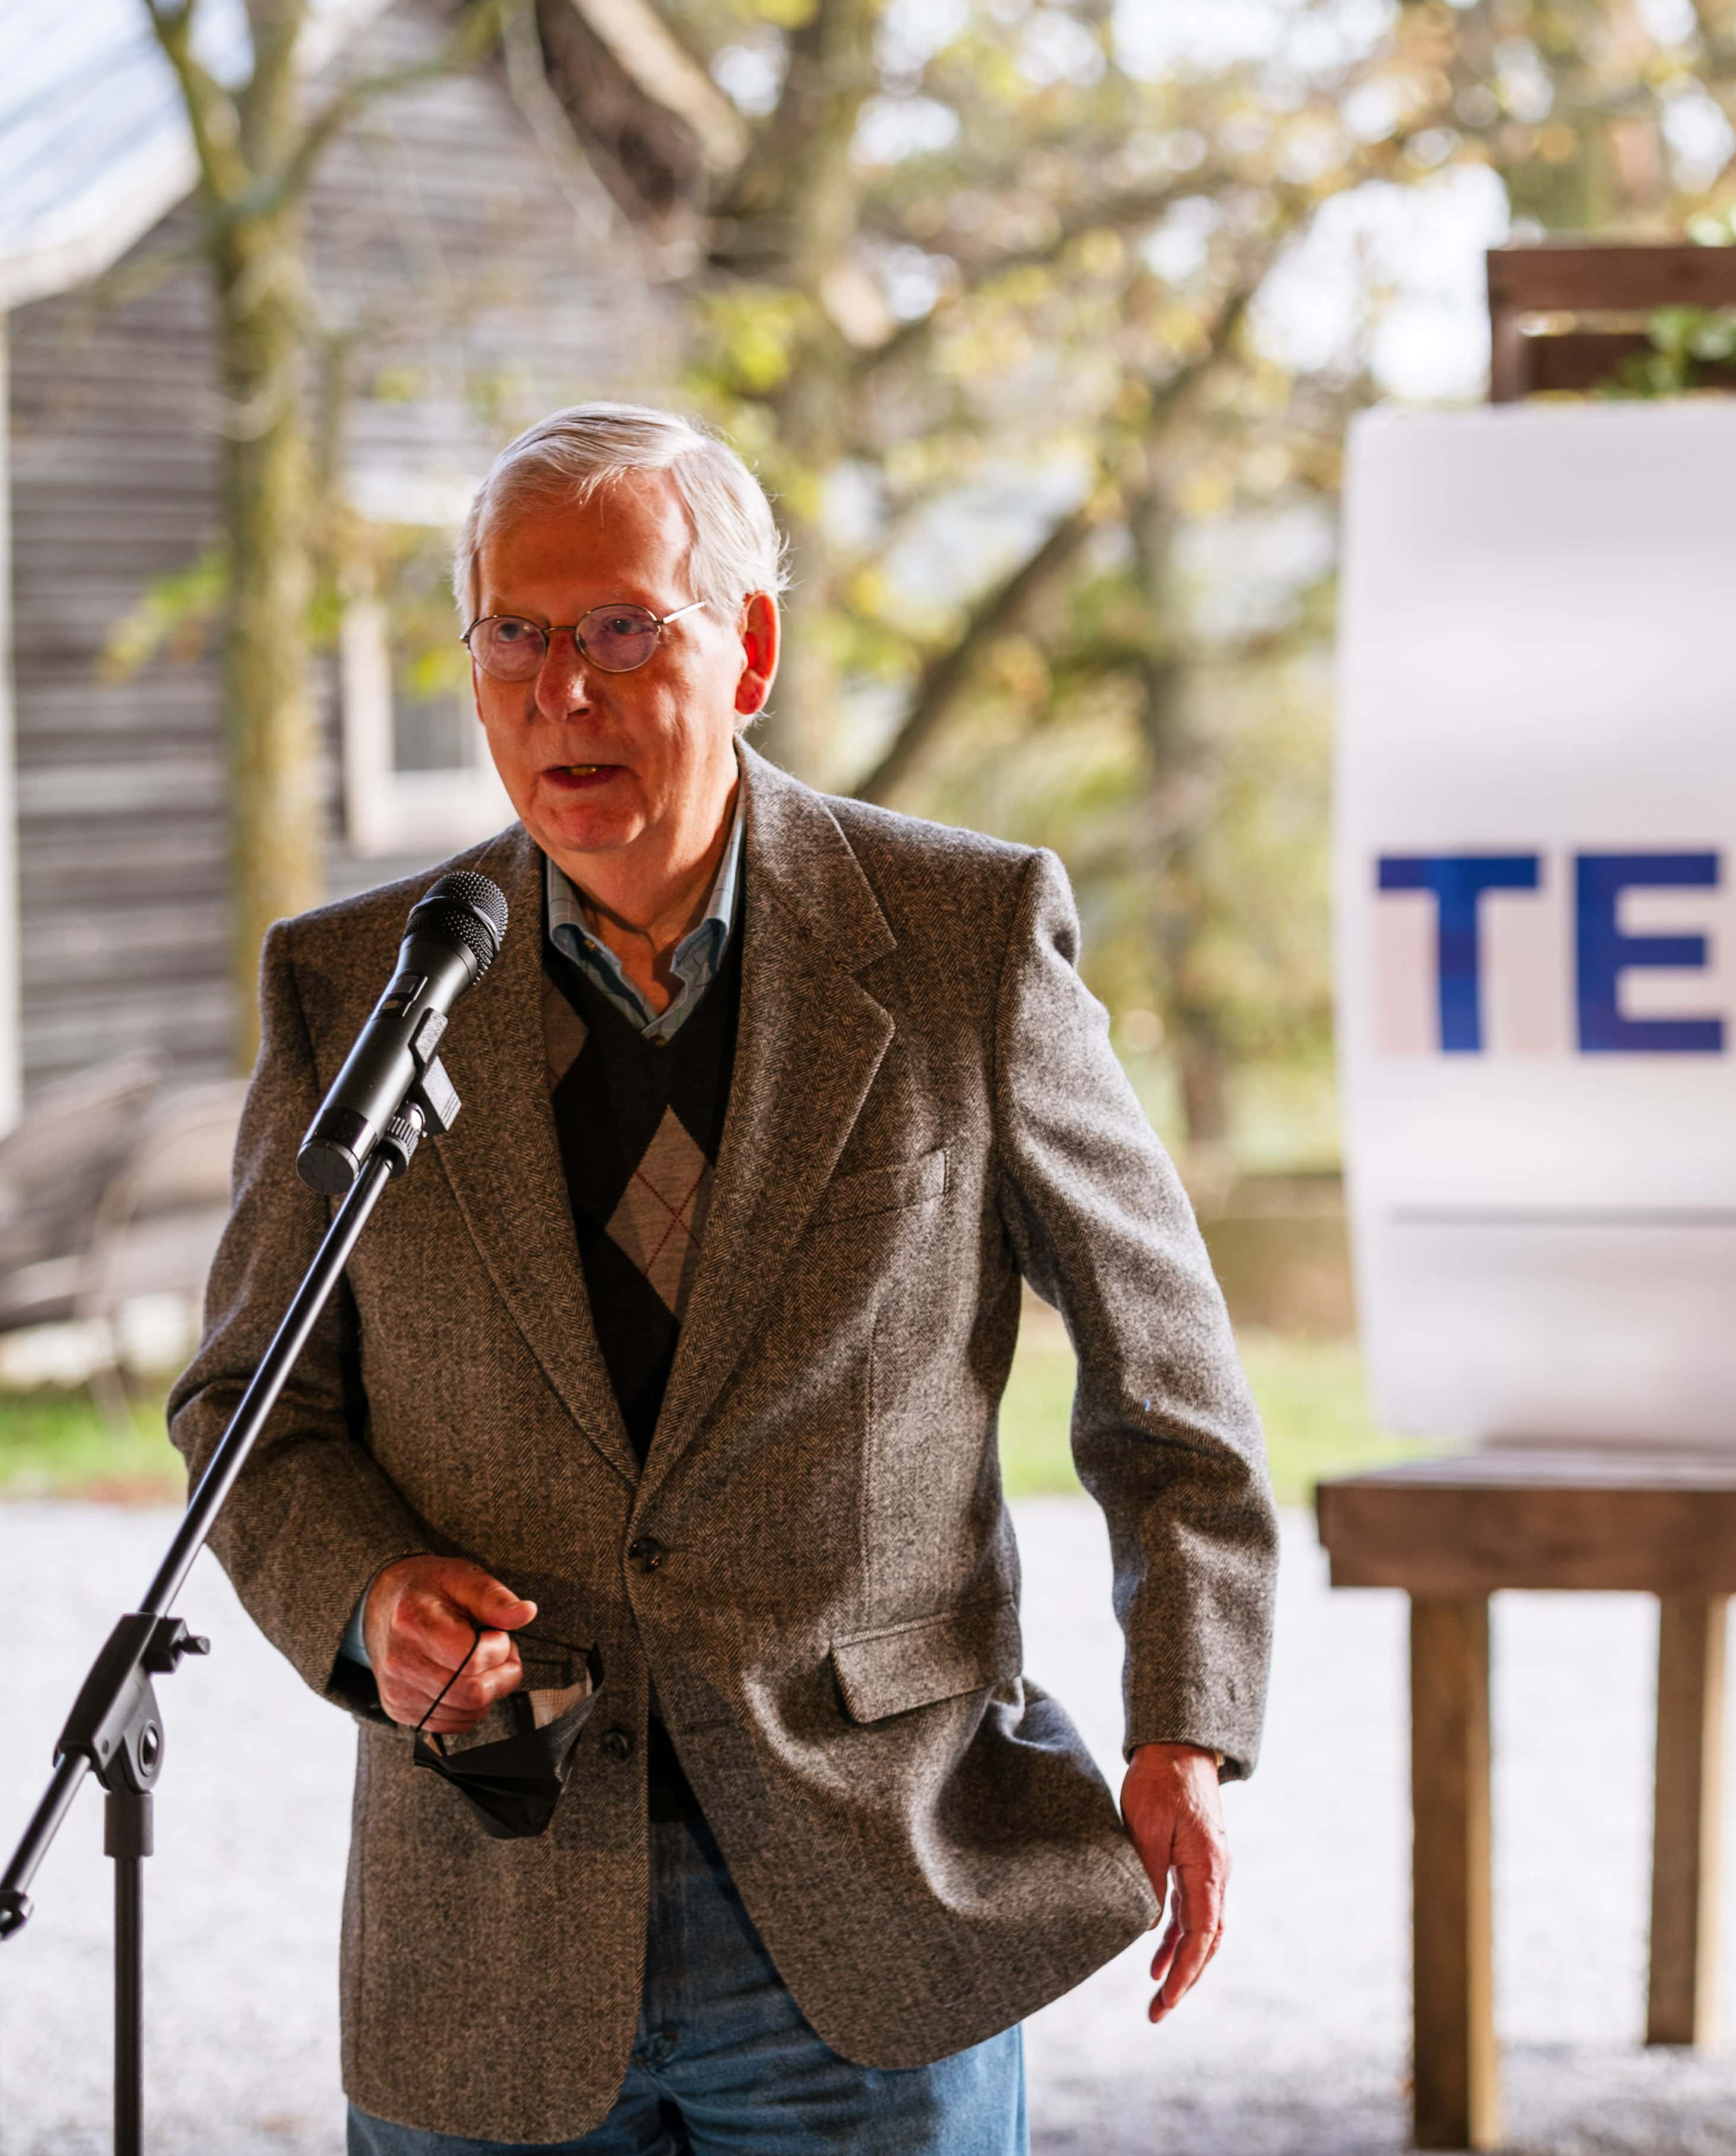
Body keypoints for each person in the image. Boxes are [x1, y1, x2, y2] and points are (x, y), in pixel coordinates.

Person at [169, 403, 1277, 2152]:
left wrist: (1185, 1729)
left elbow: (1172, 1386)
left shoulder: (966, 940)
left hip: (873, 1899)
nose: (563, 690)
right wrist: (369, 1599)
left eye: (624, 629)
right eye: (515, 636)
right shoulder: (355, 983)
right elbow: (250, 1406)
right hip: (487, 1916)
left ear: (749, 648)